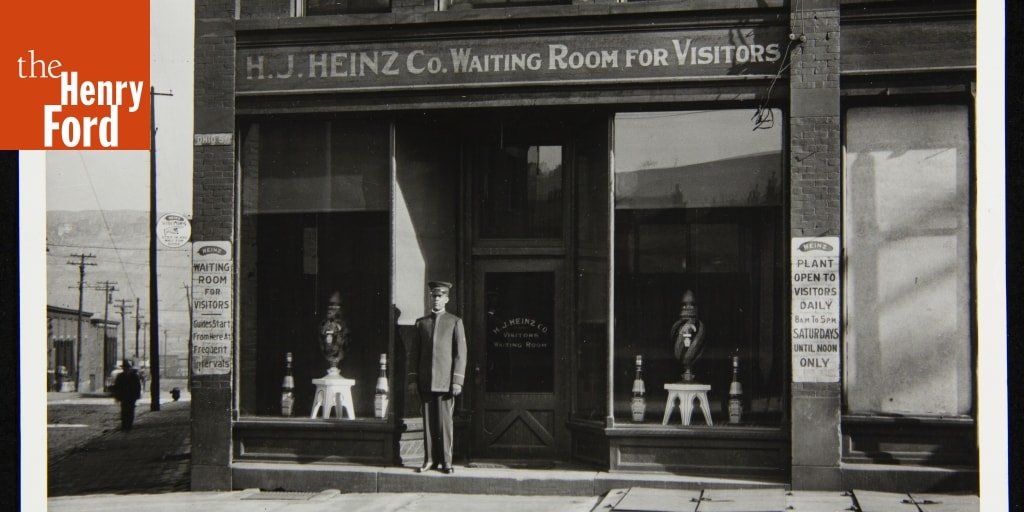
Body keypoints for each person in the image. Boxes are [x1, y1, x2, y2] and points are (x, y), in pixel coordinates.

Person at [407, 281, 467, 475]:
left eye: (440, 296)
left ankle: (447, 462)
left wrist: (457, 380)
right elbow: (414, 353)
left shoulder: (454, 321)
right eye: (434, 296)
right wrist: (413, 379)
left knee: (445, 424)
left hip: (446, 382)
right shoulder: (421, 323)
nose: (436, 300)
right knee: (428, 424)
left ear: (447, 299)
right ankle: (429, 460)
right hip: (426, 382)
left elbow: (461, 354)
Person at [670, 289, 707, 382]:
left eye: (692, 304)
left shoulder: (700, 327)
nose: (688, 307)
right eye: (684, 304)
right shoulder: (676, 327)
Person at [112, 359, 143, 432]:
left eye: (126, 368)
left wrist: (137, 396)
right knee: (124, 411)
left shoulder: (134, 376)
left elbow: (137, 387)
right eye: (124, 368)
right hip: (124, 397)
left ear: (129, 368)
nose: (125, 369)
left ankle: (129, 425)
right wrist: (117, 396)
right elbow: (117, 387)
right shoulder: (121, 376)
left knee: (130, 411)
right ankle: (124, 425)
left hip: (131, 397)